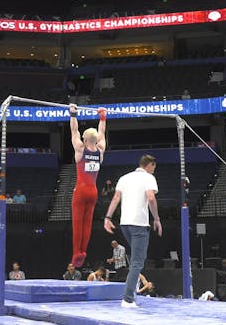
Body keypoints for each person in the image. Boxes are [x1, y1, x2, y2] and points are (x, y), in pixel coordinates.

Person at [104, 154, 162, 308]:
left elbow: (116, 198)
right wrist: (156, 219)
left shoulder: (124, 178)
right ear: (149, 165)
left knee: (138, 259)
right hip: (139, 224)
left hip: (125, 224)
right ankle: (128, 299)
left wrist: (108, 218)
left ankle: (131, 293)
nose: (154, 171)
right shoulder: (148, 178)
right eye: (154, 167)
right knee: (137, 262)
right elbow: (151, 198)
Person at [69, 103, 107, 268]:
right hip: (93, 191)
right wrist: (102, 117)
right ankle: (84, 250)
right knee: (88, 222)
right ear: (96, 139)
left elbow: (73, 131)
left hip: (81, 190)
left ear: (84, 139)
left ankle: (77, 252)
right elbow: (103, 131)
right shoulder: (101, 150)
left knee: (78, 222)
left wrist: (73, 114)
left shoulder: (80, 149)